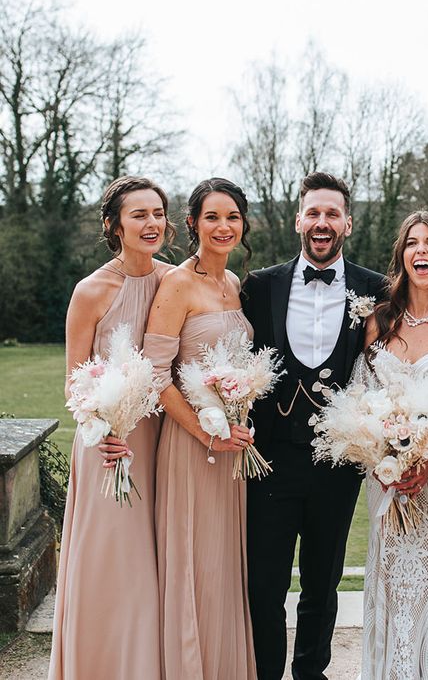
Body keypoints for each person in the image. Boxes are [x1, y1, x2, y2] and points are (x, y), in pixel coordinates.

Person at [241, 171, 387, 680]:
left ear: (348, 222)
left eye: (332, 214)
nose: (322, 223)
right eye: (313, 213)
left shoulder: (377, 289)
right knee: (265, 580)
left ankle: (311, 672)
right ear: (297, 219)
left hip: (338, 460)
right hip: (269, 459)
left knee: (323, 579)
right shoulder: (259, 287)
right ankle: (265, 673)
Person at [49, 176, 174, 680]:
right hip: (109, 447)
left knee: (154, 561)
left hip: (161, 440)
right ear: (113, 225)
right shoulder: (91, 290)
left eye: (158, 213)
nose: (151, 223)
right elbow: (73, 381)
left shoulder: (172, 281)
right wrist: (103, 427)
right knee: (114, 562)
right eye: (139, 214)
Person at [143, 178, 257, 679]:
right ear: (192, 223)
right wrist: (207, 432)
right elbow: (154, 373)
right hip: (193, 448)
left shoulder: (233, 285)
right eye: (212, 217)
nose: (223, 226)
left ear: (243, 224)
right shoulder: (177, 284)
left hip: (232, 447)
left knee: (224, 571)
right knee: (195, 565)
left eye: (231, 217)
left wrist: (234, 421)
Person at [359, 211, 428, 680]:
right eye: (411, 242)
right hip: (388, 477)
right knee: (391, 578)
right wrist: (387, 456)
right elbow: (362, 401)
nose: (420, 251)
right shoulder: (378, 320)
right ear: (401, 254)